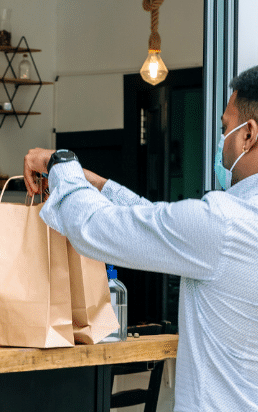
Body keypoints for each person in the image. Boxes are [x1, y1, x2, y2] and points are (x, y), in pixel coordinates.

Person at [24, 66, 258, 411]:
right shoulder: (228, 225)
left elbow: (94, 228)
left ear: (248, 134)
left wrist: (61, 163)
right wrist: (99, 184)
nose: (222, 142)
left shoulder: (223, 223)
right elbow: (160, 225)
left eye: (225, 128)